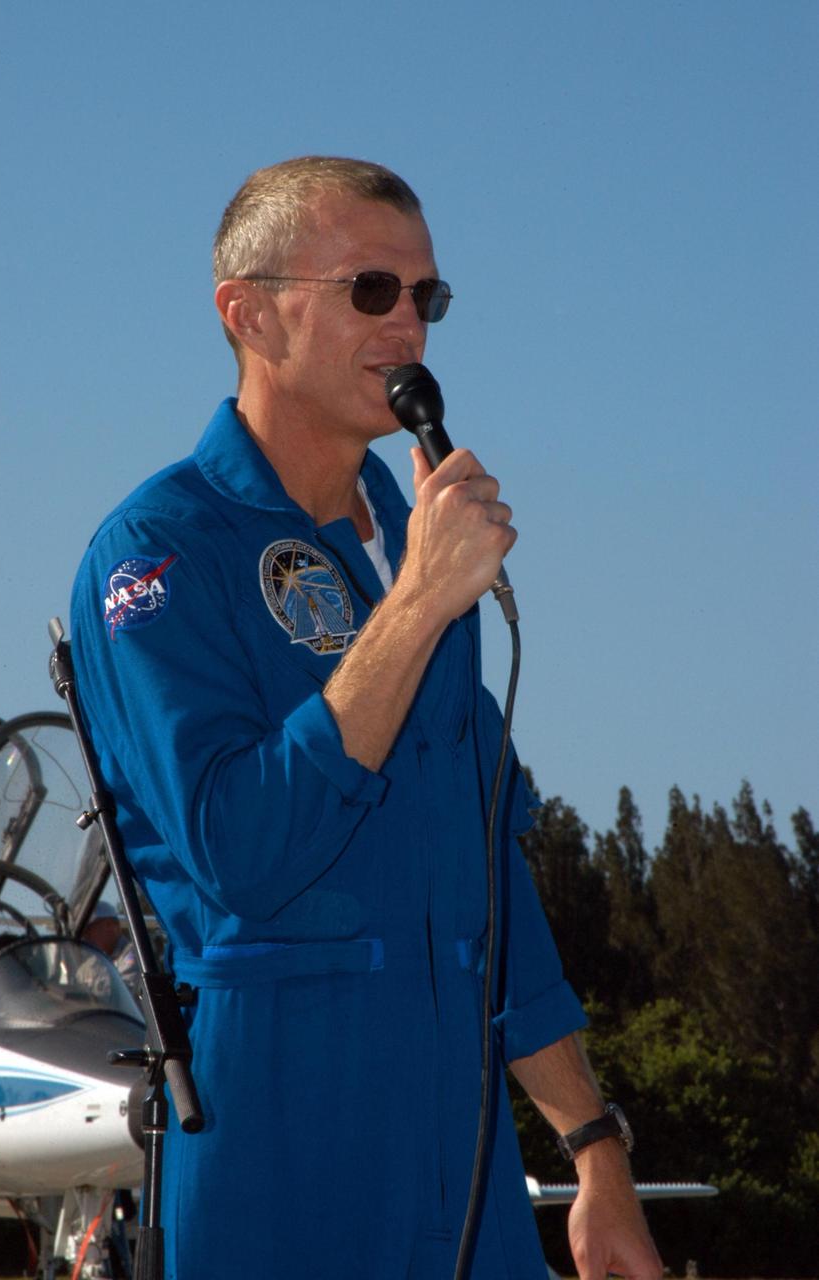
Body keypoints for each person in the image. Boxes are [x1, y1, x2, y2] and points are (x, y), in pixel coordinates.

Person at [70, 156, 661, 1280]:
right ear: (248, 312)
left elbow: (486, 873)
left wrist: (593, 1151)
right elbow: (241, 848)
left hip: (468, 1157)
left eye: (424, 297)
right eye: (370, 290)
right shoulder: (155, 557)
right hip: (285, 1148)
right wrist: (419, 606)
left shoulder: (408, 538)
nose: (409, 328)